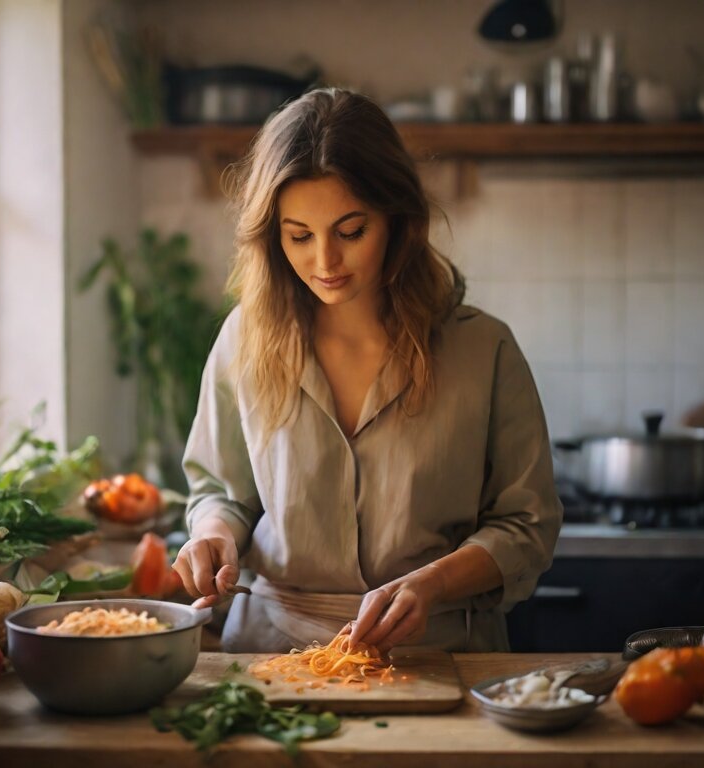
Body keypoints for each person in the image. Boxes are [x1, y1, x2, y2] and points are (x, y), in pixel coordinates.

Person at [173, 87, 562, 654]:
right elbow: (221, 492)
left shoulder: (484, 348)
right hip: (268, 652)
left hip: (439, 653)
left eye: (351, 232)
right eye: (299, 236)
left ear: (398, 221)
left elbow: (527, 525)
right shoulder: (244, 338)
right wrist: (213, 535)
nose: (325, 262)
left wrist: (433, 584)